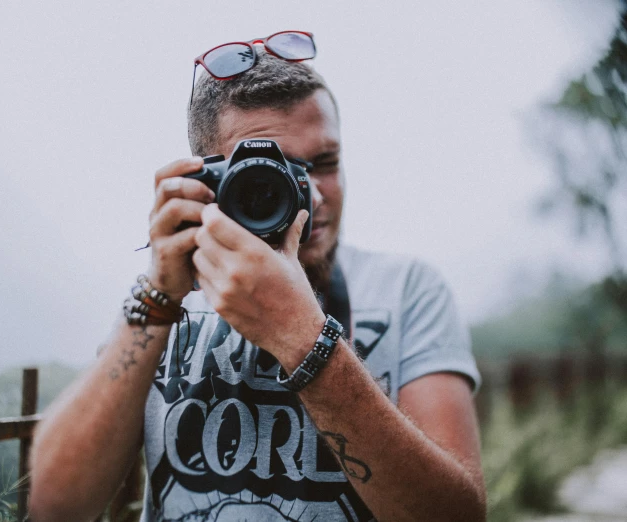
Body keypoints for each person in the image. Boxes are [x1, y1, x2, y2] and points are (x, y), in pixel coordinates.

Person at [29, 31, 486, 522]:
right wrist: (159, 296)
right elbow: (58, 506)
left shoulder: (407, 290)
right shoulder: (167, 294)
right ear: (204, 178)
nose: (311, 196)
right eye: (274, 172)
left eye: (326, 163)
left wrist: (301, 335)